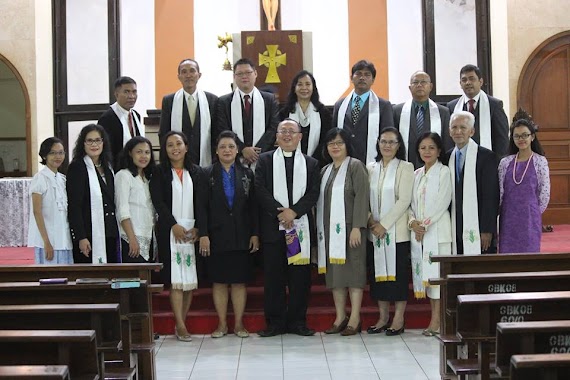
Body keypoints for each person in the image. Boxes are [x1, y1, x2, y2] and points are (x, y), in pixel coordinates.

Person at [255, 119, 320, 337]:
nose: (287, 135)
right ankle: (274, 322)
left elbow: (313, 193)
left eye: (292, 131)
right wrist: (280, 213)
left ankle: (298, 322)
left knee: (299, 277)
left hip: (299, 229)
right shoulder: (264, 161)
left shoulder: (311, 164)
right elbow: (260, 190)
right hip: (274, 229)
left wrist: (294, 212)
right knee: (274, 277)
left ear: (300, 136)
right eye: (283, 131)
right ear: (276, 136)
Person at [198, 130, 259, 339]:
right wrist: (203, 234)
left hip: (242, 234)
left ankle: (239, 324)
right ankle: (222, 324)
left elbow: (253, 207)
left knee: (240, 281)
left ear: (237, 150)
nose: (227, 150)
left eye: (231, 147)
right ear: (216, 150)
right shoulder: (206, 174)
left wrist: (254, 234)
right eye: (223, 146)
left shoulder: (247, 173)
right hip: (216, 235)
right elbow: (201, 207)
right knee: (220, 281)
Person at [150, 131, 205, 342]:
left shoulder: (197, 172)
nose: (175, 148)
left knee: (189, 279)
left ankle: (181, 320)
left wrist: (199, 228)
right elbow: (158, 201)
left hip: (192, 231)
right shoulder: (159, 172)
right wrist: (172, 224)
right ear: (164, 150)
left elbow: (201, 203)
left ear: (186, 146)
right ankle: (180, 325)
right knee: (175, 281)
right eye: (170, 145)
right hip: (170, 230)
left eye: (179, 143)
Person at [316, 128, 369, 336]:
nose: (335, 147)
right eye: (331, 143)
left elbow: (362, 198)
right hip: (330, 233)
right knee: (335, 276)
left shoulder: (356, 167)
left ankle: (355, 317)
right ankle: (340, 316)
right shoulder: (325, 171)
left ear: (347, 145)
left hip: (352, 231)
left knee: (353, 274)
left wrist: (357, 227)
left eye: (339, 142)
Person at [366, 127, 413, 336]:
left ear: (398, 145)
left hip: (397, 233)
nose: (387, 145)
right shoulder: (370, 168)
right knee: (378, 277)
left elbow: (404, 200)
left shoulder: (406, 167)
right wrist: (370, 220)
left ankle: (398, 318)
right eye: (383, 141)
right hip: (374, 232)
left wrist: (383, 225)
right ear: (378, 143)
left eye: (392, 142)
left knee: (398, 277)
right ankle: (383, 317)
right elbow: (363, 198)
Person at [408, 132, 452, 336]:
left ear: (439, 151)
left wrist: (424, 224)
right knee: (427, 278)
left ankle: (438, 320)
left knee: (437, 279)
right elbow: (410, 205)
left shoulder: (444, 172)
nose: (427, 151)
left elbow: (443, 202)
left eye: (431, 148)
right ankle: (435, 318)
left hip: (438, 231)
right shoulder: (416, 174)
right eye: (423, 147)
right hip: (420, 233)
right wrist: (413, 222)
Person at [448, 111, 499, 255]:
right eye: (454, 127)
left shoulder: (486, 157)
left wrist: (487, 230)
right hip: (454, 225)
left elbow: (491, 196)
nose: (458, 131)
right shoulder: (447, 157)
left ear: (472, 131)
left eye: (463, 128)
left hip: (478, 225)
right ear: (449, 131)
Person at [498, 113, 550, 253]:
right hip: (508, 217)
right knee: (507, 257)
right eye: (517, 136)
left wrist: (534, 213)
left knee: (529, 257)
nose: (521, 139)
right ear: (512, 138)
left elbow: (544, 194)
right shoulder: (505, 163)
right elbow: (500, 192)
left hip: (530, 218)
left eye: (525, 135)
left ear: (532, 137)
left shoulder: (540, 162)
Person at [67, 124, 119, 263]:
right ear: (83, 144)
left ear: (103, 143)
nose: (94, 144)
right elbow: (74, 206)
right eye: (89, 140)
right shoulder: (77, 167)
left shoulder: (108, 166)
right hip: (88, 234)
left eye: (98, 140)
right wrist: (81, 237)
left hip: (109, 232)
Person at [216, 58, 280, 167]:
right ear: (234, 77)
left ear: (255, 74)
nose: (244, 76)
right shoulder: (224, 101)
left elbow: (273, 127)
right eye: (239, 73)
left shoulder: (269, 99)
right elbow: (223, 128)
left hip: (263, 158)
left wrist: (256, 153)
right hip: (234, 159)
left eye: (248, 73)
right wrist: (242, 149)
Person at [159, 59, 218, 167]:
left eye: (192, 71)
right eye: (184, 72)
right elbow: (164, 132)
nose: (188, 75)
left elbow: (216, 133)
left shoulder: (212, 100)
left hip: (205, 159)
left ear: (199, 75)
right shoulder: (169, 100)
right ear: (179, 76)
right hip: (178, 159)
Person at [332, 60, 394, 164]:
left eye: (367, 75)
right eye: (358, 74)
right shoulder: (340, 105)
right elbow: (333, 135)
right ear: (351, 78)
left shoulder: (383, 106)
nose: (362, 78)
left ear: (373, 80)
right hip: (344, 161)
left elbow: (388, 137)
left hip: (372, 162)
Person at [447, 64, 509, 157]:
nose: (468, 83)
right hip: (460, 159)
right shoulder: (452, 106)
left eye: (472, 79)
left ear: (480, 81)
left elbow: (502, 139)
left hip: (486, 161)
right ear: (460, 84)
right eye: (464, 80)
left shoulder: (494, 105)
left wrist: (497, 162)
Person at [27, 137, 73, 264]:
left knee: (67, 280)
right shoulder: (40, 178)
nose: (57, 156)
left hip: (64, 240)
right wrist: (46, 242)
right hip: (47, 242)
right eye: (53, 153)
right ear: (44, 155)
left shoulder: (63, 179)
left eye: (61, 152)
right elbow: (37, 212)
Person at [393, 71, 452, 168]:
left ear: (431, 86)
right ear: (410, 88)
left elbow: (447, 143)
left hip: (433, 167)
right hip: (405, 166)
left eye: (423, 82)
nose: (419, 85)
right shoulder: (397, 111)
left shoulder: (443, 112)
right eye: (415, 82)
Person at [115, 136, 156, 263]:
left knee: (146, 282)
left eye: (147, 152)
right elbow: (122, 210)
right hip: (130, 239)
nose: (143, 156)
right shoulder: (123, 175)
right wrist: (132, 238)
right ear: (129, 153)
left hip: (148, 238)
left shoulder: (148, 179)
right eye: (139, 152)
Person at [279, 70, 332, 166]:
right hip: (289, 163)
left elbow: (326, 139)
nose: (304, 88)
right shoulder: (285, 112)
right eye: (300, 84)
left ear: (313, 87)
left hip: (318, 163)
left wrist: (312, 161)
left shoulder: (323, 112)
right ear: (294, 88)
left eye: (307, 84)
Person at [98, 76, 144, 167]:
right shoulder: (107, 118)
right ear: (116, 94)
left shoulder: (136, 115)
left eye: (134, 92)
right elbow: (106, 150)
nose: (131, 96)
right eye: (126, 92)